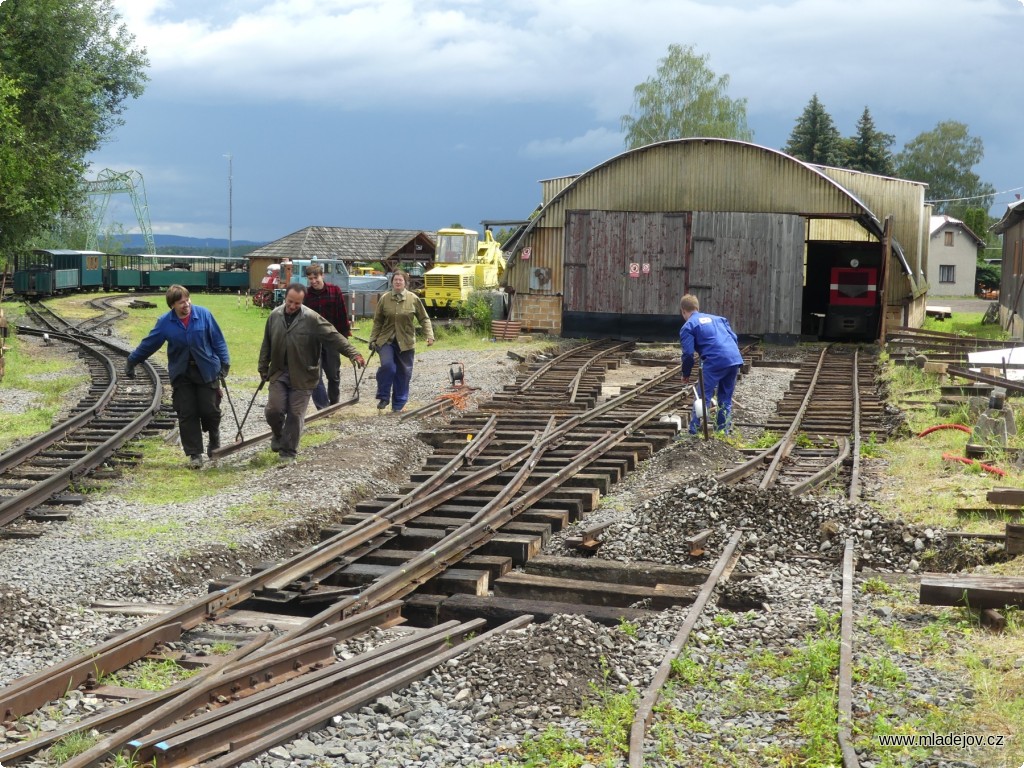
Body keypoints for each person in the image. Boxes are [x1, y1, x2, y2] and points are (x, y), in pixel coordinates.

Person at [126, 285, 230, 469]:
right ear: (172, 305)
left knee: (210, 409)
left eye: (187, 300)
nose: (186, 304)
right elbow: (150, 343)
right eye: (181, 302)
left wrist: (225, 364)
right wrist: (132, 360)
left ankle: (214, 438)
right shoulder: (165, 322)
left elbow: (218, 340)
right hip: (182, 373)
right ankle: (195, 455)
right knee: (187, 412)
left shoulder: (204, 315)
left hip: (206, 370)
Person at [258, 282, 365, 462]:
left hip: (304, 374)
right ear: (285, 298)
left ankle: (288, 452)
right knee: (273, 410)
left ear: (302, 302)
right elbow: (266, 343)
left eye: (297, 304)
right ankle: (278, 434)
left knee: (295, 413)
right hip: (279, 372)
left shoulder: (312, 319)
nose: (292, 306)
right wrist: (262, 367)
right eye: (290, 302)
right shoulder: (274, 316)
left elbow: (334, 336)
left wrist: (353, 353)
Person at [369, 270, 434, 413]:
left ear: (405, 283)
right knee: (388, 367)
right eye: (395, 280)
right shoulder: (384, 299)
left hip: (406, 342)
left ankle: (398, 405)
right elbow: (378, 321)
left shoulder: (413, 299)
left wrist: (429, 335)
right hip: (386, 340)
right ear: (392, 282)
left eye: (400, 280)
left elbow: (424, 319)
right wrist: (373, 339)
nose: (398, 282)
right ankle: (384, 396)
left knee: (403, 373)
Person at [678, 293, 744, 435]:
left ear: (683, 311)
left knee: (702, 398)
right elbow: (734, 338)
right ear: (697, 307)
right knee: (725, 398)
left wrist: (686, 374)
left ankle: (694, 433)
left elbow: (688, 354)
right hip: (734, 359)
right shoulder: (719, 319)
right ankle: (723, 432)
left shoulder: (688, 326)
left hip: (714, 361)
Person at [301, 263, 351, 409]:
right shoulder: (306, 295)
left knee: (333, 375)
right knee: (315, 376)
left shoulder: (335, 291)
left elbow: (342, 314)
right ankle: (323, 407)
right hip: (312, 341)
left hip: (331, 340)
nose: (313, 281)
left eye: (315, 277)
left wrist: (344, 339)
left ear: (322, 275)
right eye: (310, 278)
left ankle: (334, 403)